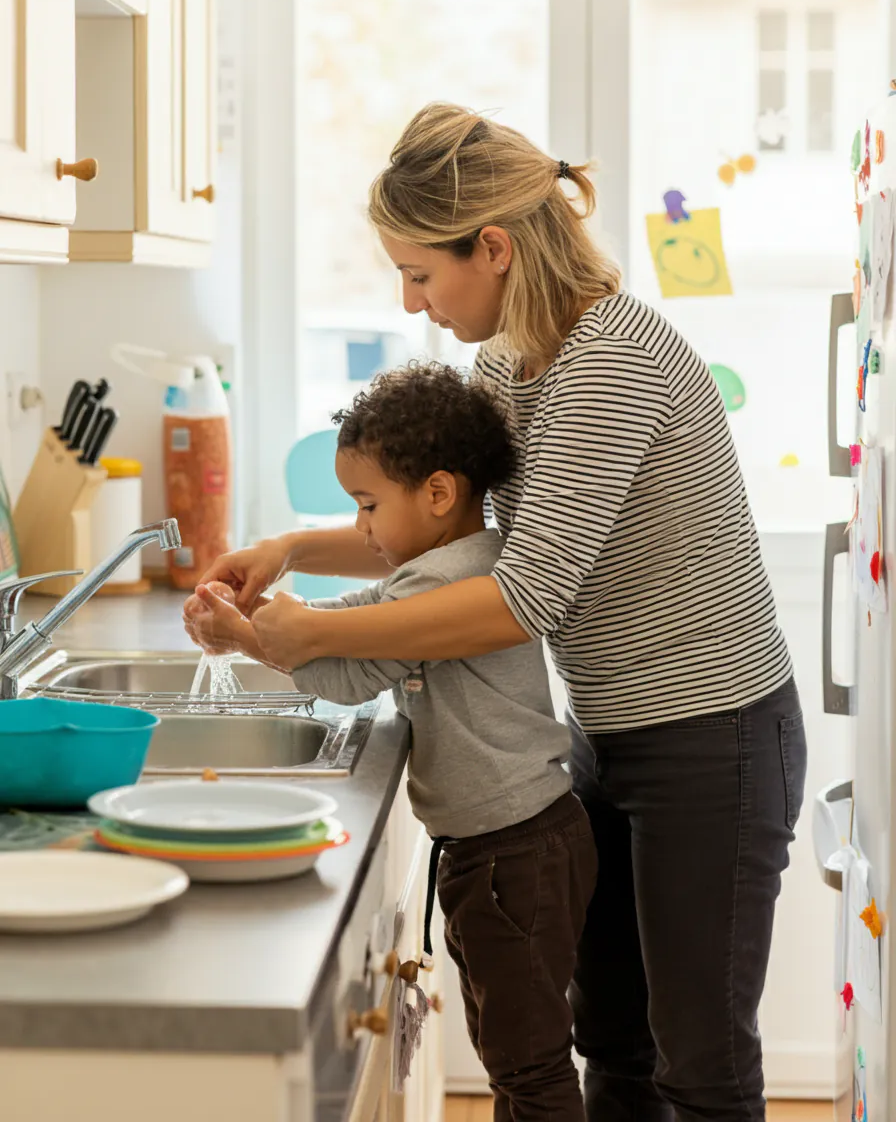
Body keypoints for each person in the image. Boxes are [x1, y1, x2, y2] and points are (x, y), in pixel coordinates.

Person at [198, 103, 808, 1122]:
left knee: (697, 1066)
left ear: (492, 246)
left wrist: (314, 630)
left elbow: (523, 597)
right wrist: (293, 547)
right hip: (604, 732)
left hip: (714, 737)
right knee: (612, 1036)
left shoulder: (611, 359)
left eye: (421, 273)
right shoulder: (507, 364)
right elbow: (457, 539)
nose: (410, 300)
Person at [184, 362, 597, 1122]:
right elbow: (359, 614)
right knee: (518, 1055)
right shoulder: (457, 560)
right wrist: (266, 618)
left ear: (439, 494)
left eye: (369, 506)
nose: (363, 529)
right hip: (515, 844)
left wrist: (246, 637)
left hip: (513, 853)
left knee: (527, 1067)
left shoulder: (439, 583)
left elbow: (351, 673)